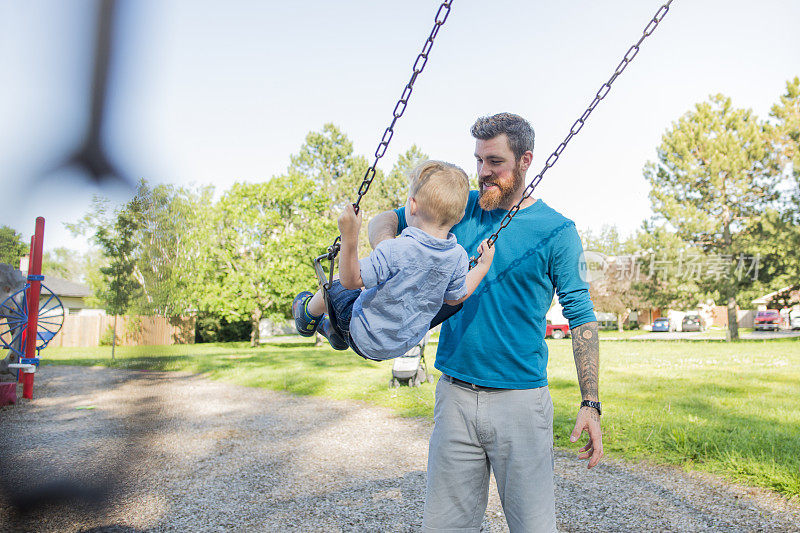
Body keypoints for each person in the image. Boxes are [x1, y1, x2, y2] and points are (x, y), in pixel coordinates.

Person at [368, 113, 602, 532]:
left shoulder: (557, 231)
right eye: (478, 160)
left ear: (526, 160)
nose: (482, 173)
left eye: (494, 162)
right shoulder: (459, 209)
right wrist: (389, 252)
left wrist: (591, 403)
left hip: (521, 403)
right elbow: (382, 220)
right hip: (455, 396)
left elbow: (581, 317)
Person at [292, 160, 495, 361]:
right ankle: (331, 330)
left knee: (336, 283)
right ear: (459, 217)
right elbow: (454, 298)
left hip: (363, 335)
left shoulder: (396, 248)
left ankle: (308, 314)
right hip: (400, 345)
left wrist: (349, 236)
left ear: (412, 205)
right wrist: (483, 266)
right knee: (373, 288)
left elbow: (350, 280)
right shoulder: (458, 256)